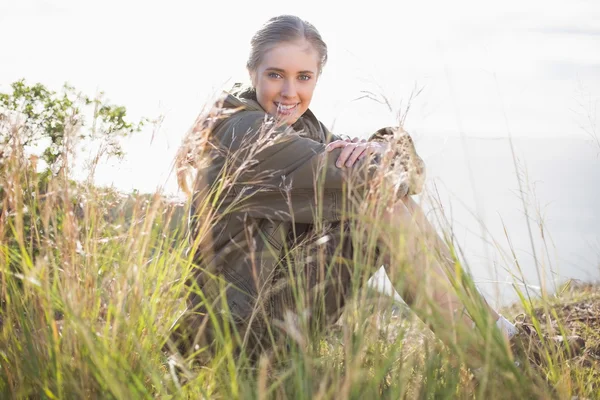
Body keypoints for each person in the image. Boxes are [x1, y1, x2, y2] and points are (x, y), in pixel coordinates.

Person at [170, 14, 569, 369]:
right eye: (276, 74)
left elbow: (398, 175)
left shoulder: (304, 128)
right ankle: (497, 357)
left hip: (271, 315)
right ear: (252, 71)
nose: (290, 91)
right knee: (385, 212)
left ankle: (505, 340)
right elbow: (378, 180)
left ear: (317, 78)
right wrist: (384, 153)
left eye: (304, 77)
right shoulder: (245, 132)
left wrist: (379, 148)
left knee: (392, 208)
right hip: (229, 338)